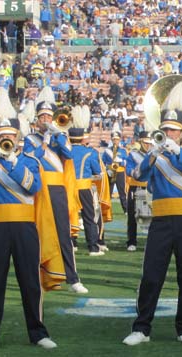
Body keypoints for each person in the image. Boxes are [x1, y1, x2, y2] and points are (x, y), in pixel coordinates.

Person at [122, 84, 182, 346]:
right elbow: (137, 176)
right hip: (161, 220)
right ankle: (141, 328)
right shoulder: (154, 155)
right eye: (165, 129)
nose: (168, 133)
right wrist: (152, 154)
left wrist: (177, 151)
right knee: (152, 274)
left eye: (173, 130)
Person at [0, 89, 57, 351]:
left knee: (29, 281)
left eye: (9, 137)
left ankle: (38, 333)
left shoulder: (29, 161)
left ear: (18, 138)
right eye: (0, 137)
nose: (5, 140)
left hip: (24, 228)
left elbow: (33, 186)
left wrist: (12, 161)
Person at [23, 90, 88, 293]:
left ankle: (73, 278)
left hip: (58, 190)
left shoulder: (61, 137)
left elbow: (68, 153)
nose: (46, 120)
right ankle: (41, 277)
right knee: (39, 233)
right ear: (37, 119)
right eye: (42, 117)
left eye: (49, 117)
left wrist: (57, 134)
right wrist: (43, 142)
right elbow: (29, 157)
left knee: (63, 233)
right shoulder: (30, 139)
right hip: (39, 190)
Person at [69, 105, 104, 256]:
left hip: (68, 187)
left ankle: (72, 243)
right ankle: (93, 247)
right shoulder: (89, 152)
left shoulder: (66, 151)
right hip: (84, 187)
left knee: (69, 215)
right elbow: (97, 172)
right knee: (89, 217)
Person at [124, 132, 151, 252]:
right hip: (135, 187)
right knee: (132, 215)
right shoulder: (133, 155)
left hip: (151, 188)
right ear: (140, 142)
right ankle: (131, 241)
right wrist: (137, 172)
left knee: (153, 216)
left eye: (150, 143)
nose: (148, 145)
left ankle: (151, 242)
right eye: (146, 142)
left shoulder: (155, 155)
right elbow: (129, 170)